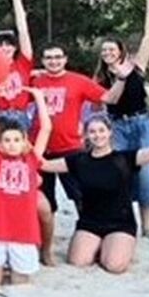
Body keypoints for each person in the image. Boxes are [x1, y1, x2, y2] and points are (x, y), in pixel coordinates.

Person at [41, 115, 149, 274]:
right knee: (77, 262)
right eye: (92, 131)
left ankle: (116, 245)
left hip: (120, 223)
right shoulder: (78, 160)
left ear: (110, 132)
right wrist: (23, 144)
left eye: (102, 130)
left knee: (113, 266)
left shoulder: (126, 158)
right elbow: (45, 165)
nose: (98, 135)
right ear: (86, 135)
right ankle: (99, 245)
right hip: (90, 223)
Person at [92, 0, 149, 236]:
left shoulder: (135, 68)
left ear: (121, 50)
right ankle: (123, 221)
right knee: (119, 175)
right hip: (116, 127)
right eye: (104, 51)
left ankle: (147, 226)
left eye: (112, 49)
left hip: (142, 123)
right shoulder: (99, 78)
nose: (108, 53)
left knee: (148, 174)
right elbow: (101, 105)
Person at [31, 43, 123, 254]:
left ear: (65, 59)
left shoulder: (78, 80)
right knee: (44, 202)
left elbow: (110, 98)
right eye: (48, 58)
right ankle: (45, 245)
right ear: (43, 61)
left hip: (71, 149)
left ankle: (95, 237)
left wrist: (122, 78)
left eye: (57, 57)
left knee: (82, 196)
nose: (53, 61)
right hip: (40, 149)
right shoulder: (35, 80)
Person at [0, 86, 52, 285]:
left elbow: (46, 128)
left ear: (24, 141)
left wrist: (38, 97)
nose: (11, 144)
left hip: (24, 231)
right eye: (7, 140)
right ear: (0, 143)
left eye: (17, 140)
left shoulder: (32, 158)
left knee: (21, 281)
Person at [0, 0, 36, 129]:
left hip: (20, 115)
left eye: (8, 44)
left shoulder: (23, 63)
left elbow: (23, 32)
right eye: (0, 45)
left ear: (15, 48)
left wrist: (17, 2)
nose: (5, 48)